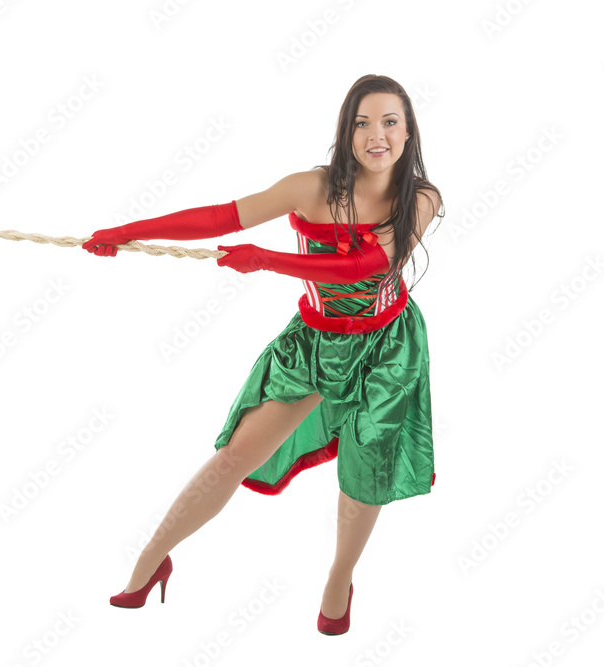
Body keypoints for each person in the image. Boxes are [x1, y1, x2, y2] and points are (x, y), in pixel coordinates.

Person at [82, 74, 444, 635]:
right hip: (315, 342)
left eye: (389, 122)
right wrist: (126, 231)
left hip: (387, 347)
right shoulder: (311, 187)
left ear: (408, 130)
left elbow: (369, 265)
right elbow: (220, 217)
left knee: (364, 472)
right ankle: (153, 559)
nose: (377, 135)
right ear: (346, 132)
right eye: (362, 123)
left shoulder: (422, 197)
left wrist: (267, 261)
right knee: (234, 456)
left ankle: (339, 579)